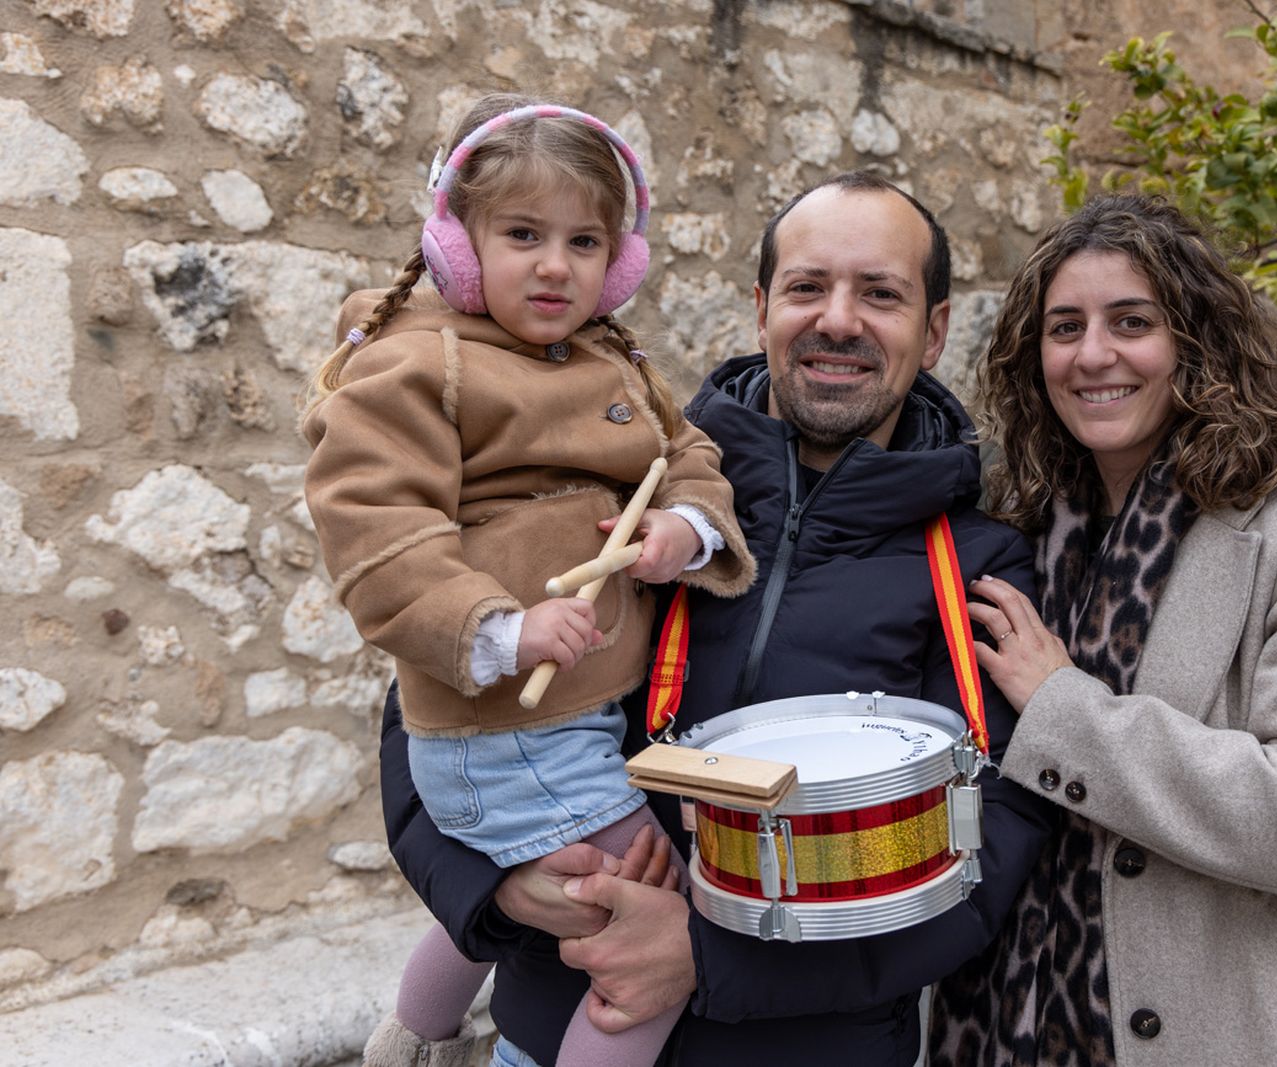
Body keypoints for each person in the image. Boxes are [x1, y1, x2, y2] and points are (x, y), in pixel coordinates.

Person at [376, 171, 1056, 1066]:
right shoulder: (627, 492)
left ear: (933, 331)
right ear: (762, 307)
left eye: (881, 293)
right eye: (808, 287)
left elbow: (983, 861)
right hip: (547, 1036)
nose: (839, 320)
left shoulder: (977, 568)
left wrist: (705, 958)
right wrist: (495, 883)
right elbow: (436, 702)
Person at [301, 94, 756, 1067]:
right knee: (648, 910)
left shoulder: (609, 357)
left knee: (545, 875)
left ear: (619, 261)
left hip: (571, 721)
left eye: (585, 240)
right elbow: (377, 532)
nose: (556, 264)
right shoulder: (417, 364)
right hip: (503, 725)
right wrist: (501, 628)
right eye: (521, 234)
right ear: (455, 245)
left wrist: (684, 525)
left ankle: (414, 1034)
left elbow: (689, 456)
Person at [927, 194, 1277, 1065]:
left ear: (1196, 341)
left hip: (1238, 1029)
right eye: (1064, 327)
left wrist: (1065, 711)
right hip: (1008, 1024)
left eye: (1132, 321)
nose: (1093, 355)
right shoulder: (1016, 540)